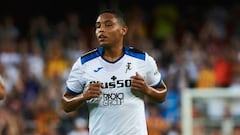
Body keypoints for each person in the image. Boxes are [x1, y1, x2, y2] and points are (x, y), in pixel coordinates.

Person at [61, 8, 168, 135]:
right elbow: (65, 104)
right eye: (98, 26)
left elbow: (162, 94)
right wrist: (83, 96)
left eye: (108, 25)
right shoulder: (84, 63)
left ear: (123, 30)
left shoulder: (143, 60)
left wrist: (147, 90)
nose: (101, 30)